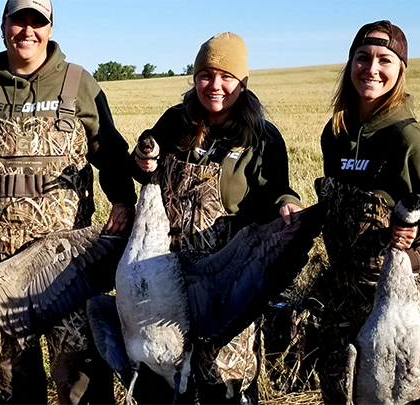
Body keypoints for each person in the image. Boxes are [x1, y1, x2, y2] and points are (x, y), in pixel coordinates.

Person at [0, 0, 137, 402]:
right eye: (18, 21)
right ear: (3, 26)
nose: (27, 31)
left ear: (51, 28)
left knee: (80, 377)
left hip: (65, 270)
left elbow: (110, 153)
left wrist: (123, 200)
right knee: (11, 383)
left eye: (37, 22)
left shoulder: (79, 84)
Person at [131, 32, 303, 403]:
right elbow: (146, 168)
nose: (216, 85)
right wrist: (142, 159)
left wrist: (288, 203)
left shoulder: (261, 137)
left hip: (226, 281)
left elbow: (278, 191)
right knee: (163, 379)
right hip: (169, 276)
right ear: (194, 79)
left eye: (227, 76)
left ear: (242, 82)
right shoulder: (176, 122)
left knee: (222, 380)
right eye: (207, 75)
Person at [314, 20, 420, 402]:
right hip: (344, 293)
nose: (371, 69)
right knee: (344, 393)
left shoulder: (410, 140)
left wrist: (418, 229)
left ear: (400, 70)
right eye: (362, 58)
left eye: (384, 60)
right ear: (350, 64)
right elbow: (337, 204)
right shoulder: (336, 134)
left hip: (399, 295)